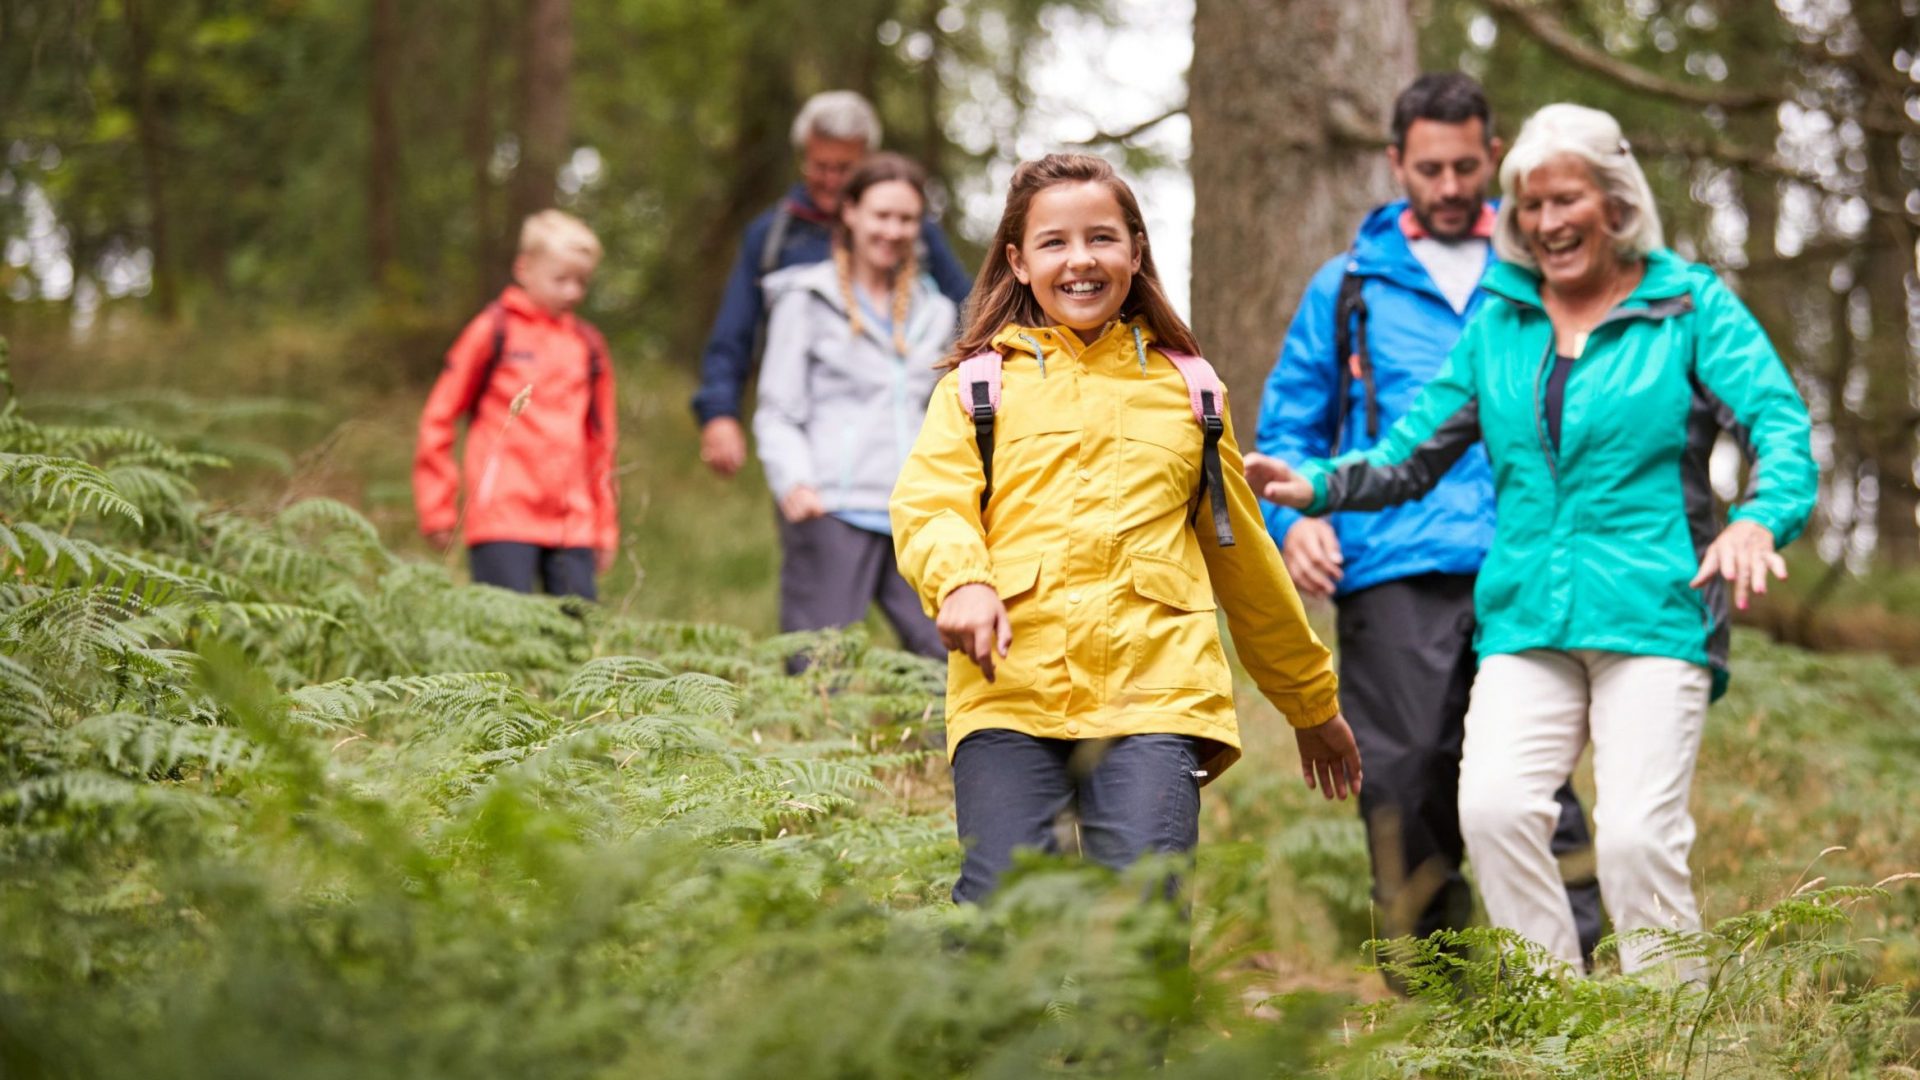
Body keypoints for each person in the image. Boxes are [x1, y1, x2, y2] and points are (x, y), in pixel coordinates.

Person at [1248, 103, 1816, 974]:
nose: (1548, 224)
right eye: (1532, 207)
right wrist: (1315, 485)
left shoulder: (1689, 304)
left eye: (1566, 201)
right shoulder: (1501, 323)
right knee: (1497, 812)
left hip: (1653, 611)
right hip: (1524, 617)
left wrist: (1754, 519)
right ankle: (1557, 1024)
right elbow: (1411, 455)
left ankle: (1670, 1036)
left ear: (1616, 202)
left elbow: (1780, 426)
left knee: (1631, 839)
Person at [890, 153, 1362, 906]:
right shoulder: (977, 388)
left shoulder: (1191, 393)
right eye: (1054, 243)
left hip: (1156, 695)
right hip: (1009, 692)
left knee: (1142, 916)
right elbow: (931, 502)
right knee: (1001, 910)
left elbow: (1243, 561)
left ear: (1136, 252)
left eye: (1102, 238)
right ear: (1017, 261)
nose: (1080, 260)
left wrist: (1310, 704)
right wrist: (964, 581)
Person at [1254, 73, 1601, 967]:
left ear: (1494, 155)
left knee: (1533, 784)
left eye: (1465, 165)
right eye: (1429, 168)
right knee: (1404, 784)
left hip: (1524, 563)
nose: (1449, 187)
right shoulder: (1347, 288)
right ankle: (1444, 996)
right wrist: (1293, 529)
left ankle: (1583, 982)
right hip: (1389, 566)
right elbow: (1285, 438)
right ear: (1395, 164)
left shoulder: (1541, 272)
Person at [693, 90, 972, 477]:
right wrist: (719, 412)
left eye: (845, 168)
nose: (830, 180)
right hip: (801, 439)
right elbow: (732, 334)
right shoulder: (774, 236)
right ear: (803, 157)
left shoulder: (909, 231)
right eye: (819, 166)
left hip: (895, 443)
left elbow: (970, 310)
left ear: (868, 160)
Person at [754, 153, 953, 663]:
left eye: (906, 219)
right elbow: (777, 408)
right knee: (820, 666)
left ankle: (946, 748)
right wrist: (793, 480)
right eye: (882, 215)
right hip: (831, 506)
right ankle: (802, 746)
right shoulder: (806, 298)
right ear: (851, 214)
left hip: (915, 510)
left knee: (947, 656)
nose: (893, 229)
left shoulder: (937, 311)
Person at [414, 209, 618, 599]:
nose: (573, 292)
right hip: (502, 516)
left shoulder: (588, 346)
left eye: (582, 282)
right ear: (524, 269)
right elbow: (439, 416)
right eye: (561, 279)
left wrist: (603, 527)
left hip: (572, 522)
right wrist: (437, 507)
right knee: (502, 642)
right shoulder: (493, 330)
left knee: (578, 643)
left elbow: (602, 440)